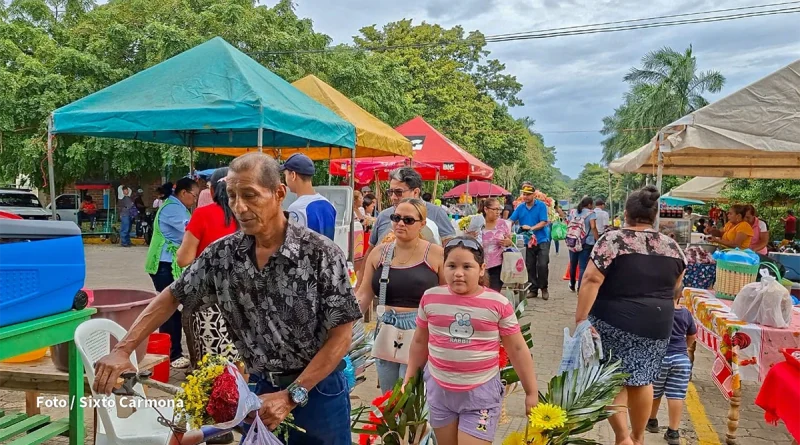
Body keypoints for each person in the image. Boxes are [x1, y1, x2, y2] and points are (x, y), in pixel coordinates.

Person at [93, 153, 362, 445]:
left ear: (279, 193)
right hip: (257, 392)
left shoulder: (320, 253)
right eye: (232, 196)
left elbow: (341, 338)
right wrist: (123, 350)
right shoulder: (223, 255)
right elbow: (171, 296)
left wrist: (291, 395)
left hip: (317, 392)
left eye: (250, 195)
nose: (239, 207)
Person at [575, 185, 686, 445]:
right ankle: (638, 437)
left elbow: (591, 278)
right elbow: (676, 286)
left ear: (626, 213)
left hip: (614, 321)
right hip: (658, 324)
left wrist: (581, 318)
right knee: (643, 379)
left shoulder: (612, 240)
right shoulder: (671, 245)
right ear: (655, 215)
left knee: (612, 379)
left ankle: (622, 436)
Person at [404, 236, 539, 445]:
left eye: (467, 266)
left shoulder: (498, 304)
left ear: (482, 268)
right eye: (451, 265)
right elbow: (420, 342)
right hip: (440, 393)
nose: (458, 273)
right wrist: (409, 379)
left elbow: (518, 349)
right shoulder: (430, 298)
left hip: (481, 395)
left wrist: (531, 392)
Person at [357, 198, 446, 393]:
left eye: (408, 220)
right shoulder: (379, 253)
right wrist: (346, 329)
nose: (400, 223)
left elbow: (447, 297)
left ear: (422, 223)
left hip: (420, 328)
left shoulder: (436, 254)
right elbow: (364, 294)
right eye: (396, 218)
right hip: (386, 327)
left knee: (413, 398)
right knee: (389, 398)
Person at [176, 168, 239, 365]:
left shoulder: (202, 215)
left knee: (210, 360)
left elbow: (183, 259)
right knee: (239, 357)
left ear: (212, 191)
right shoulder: (247, 215)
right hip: (241, 295)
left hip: (208, 297)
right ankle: (241, 393)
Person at [144, 178, 199, 369]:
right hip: (163, 264)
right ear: (184, 193)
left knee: (172, 307)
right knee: (168, 309)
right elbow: (191, 231)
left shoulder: (177, 206)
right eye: (194, 195)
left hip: (169, 264)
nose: (195, 200)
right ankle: (172, 354)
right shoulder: (172, 209)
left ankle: (170, 351)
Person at [367, 167, 455, 258]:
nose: (393, 197)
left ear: (416, 192)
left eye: (398, 192)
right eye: (390, 192)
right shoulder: (383, 215)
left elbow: (450, 251)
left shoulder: (437, 213)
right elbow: (371, 250)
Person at [647, 287, 696, 445]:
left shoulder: (658, 311)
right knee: (676, 395)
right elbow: (692, 335)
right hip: (681, 360)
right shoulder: (686, 313)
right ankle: (673, 432)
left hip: (661, 358)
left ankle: (652, 421)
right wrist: (685, 348)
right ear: (681, 295)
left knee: (655, 391)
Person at [509, 184, 550, 300]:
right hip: (527, 241)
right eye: (524, 194)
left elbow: (543, 222)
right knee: (530, 266)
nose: (525, 197)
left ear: (533, 195)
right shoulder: (520, 207)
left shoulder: (541, 206)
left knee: (542, 265)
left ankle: (544, 288)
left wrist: (531, 228)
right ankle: (533, 289)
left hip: (542, 239)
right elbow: (511, 220)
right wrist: (504, 228)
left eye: (528, 194)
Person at [282, 153, 337, 240]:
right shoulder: (329, 205)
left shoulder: (297, 208)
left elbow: (292, 244)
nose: (285, 180)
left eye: (285, 175)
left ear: (293, 175)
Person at [478, 198, 514, 291]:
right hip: (479, 264)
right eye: (495, 209)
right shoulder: (478, 223)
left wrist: (508, 243)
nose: (498, 212)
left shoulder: (504, 224)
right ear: (486, 209)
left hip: (497, 265)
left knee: (494, 292)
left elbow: (510, 242)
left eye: (499, 209)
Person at [568, 197, 599, 293]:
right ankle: (580, 289)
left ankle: (572, 284)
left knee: (573, 264)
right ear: (589, 204)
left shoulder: (573, 212)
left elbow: (568, 224)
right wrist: (597, 240)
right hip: (587, 242)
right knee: (582, 266)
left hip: (573, 240)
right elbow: (593, 227)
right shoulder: (591, 213)